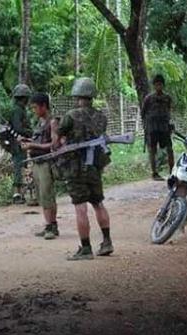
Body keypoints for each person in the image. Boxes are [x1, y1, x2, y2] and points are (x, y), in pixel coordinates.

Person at [57, 77, 113, 261]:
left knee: (80, 207)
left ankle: (86, 248)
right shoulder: (101, 117)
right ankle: (107, 241)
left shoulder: (71, 116)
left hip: (75, 168)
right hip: (94, 168)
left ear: (77, 95)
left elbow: (58, 137)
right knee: (98, 203)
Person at [20, 93, 60, 240]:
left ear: (44, 106)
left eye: (35, 107)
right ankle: (51, 224)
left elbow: (54, 144)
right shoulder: (40, 122)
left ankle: (51, 226)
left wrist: (33, 145)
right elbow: (39, 139)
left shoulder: (52, 122)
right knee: (42, 195)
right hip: (37, 162)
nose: (34, 111)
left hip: (46, 162)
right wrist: (28, 141)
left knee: (47, 194)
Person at [141, 74, 175, 181]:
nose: (158, 86)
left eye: (160, 84)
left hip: (164, 127)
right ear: (154, 86)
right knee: (153, 150)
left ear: (163, 85)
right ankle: (154, 173)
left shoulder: (167, 98)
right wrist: (146, 126)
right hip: (153, 127)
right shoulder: (148, 98)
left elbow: (169, 111)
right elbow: (143, 113)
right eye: (157, 84)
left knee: (169, 149)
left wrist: (169, 123)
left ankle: (172, 171)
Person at [9, 84, 34, 204]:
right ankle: (17, 194)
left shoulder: (20, 110)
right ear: (24, 98)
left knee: (22, 166)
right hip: (17, 143)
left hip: (20, 142)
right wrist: (30, 132)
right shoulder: (17, 111)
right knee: (19, 166)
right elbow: (18, 128)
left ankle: (21, 193)